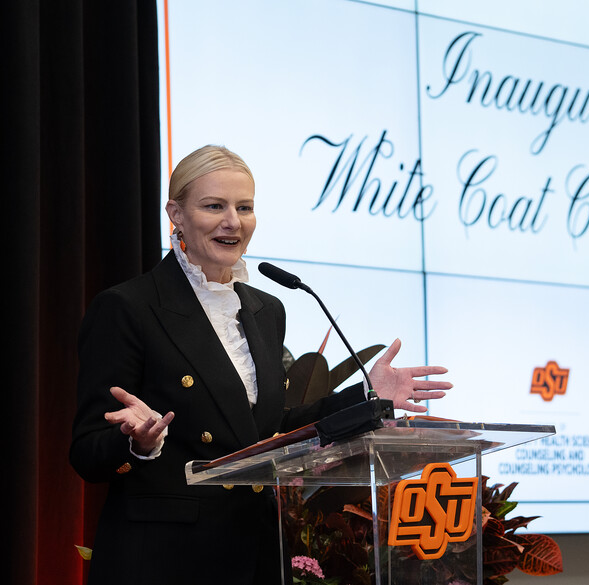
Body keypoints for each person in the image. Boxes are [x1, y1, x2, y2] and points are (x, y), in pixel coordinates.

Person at [69, 145, 451, 585]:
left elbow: (268, 430)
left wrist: (369, 397)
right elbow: (86, 452)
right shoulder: (128, 308)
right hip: (164, 559)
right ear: (175, 213)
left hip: (253, 553)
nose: (233, 221)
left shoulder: (265, 309)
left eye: (244, 207)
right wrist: (138, 443)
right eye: (215, 206)